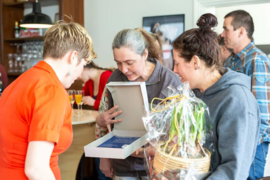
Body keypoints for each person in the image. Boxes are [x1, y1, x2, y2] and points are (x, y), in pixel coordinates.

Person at [0, 20, 96, 180]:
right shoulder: (52, 90)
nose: (80, 74)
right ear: (73, 57)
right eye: (83, 64)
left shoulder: (19, 82)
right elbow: (36, 169)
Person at [172, 13, 260, 179]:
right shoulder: (195, 95)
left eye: (177, 63)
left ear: (196, 62)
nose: (174, 70)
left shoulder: (236, 100)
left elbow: (233, 171)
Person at [95, 28, 182, 180]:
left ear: (145, 54)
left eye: (129, 63)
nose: (124, 69)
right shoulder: (115, 78)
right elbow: (102, 119)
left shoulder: (169, 81)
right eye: (118, 63)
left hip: (157, 168)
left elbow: (179, 131)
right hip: (122, 166)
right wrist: (104, 156)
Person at [221, 10, 270, 180]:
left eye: (226, 29)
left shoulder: (257, 60)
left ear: (241, 31)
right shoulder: (230, 61)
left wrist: (247, 145)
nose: (222, 34)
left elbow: (263, 113)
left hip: (251, 145)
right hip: (233, 141)